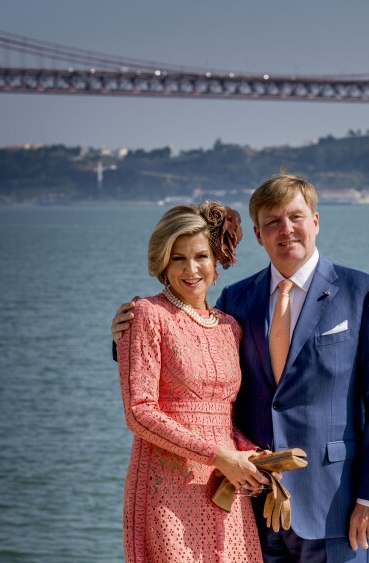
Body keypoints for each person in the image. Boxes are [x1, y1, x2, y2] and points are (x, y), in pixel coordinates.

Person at [113, 175, 369, 563]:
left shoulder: (362, 292)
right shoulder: (236, 300)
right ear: (257, 233)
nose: (286, 230)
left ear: (316, 221)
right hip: (247, 505)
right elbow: (187, 344)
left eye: (296, 217)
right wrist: (123, 335)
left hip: (334, 504)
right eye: (273, 222)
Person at [115, 201, 270, 562]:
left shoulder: (230, 328)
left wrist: (253, 456)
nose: (191, 269)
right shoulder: (146, 315)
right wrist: (221, 457)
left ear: (216, 262)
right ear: (163, 265)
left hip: (224, 489)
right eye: (178, 258)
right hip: (166, 489)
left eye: (200, 256)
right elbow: (139, 412)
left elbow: (223, 420)